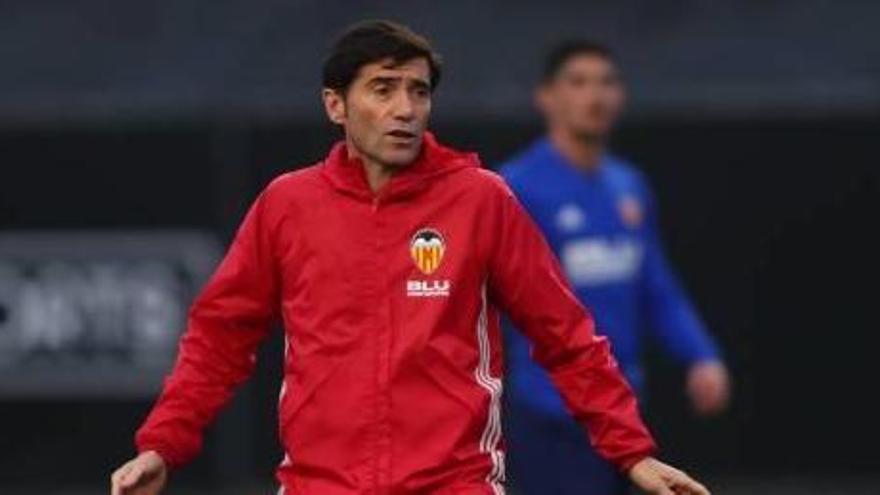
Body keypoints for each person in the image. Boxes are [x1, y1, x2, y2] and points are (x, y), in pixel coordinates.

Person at [109, 21, 710, 495]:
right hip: (321, 487)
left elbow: (567, 335)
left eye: (418, 91)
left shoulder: (481, 200)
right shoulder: (287, 205)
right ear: (335, 106)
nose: (406, 108)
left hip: (455, 484)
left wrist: (631, 451)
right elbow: (219, 336)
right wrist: (163, 443)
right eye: (383, 87)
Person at [499, 40, 731, 495]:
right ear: (546, 97)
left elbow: (654, 284)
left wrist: (699, 354)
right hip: (552, 413)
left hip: (624, 407)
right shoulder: (514, 189)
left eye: (606, 83)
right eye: (579, 82)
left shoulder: (629, 186)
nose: (595, 96)